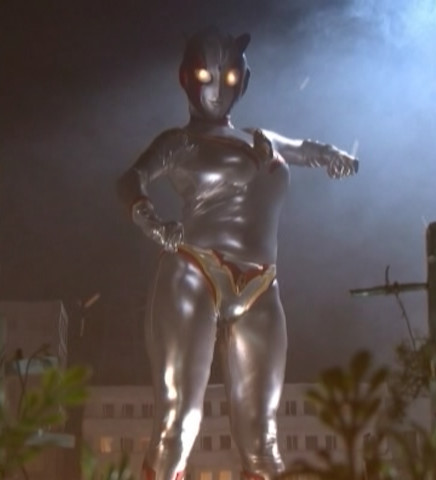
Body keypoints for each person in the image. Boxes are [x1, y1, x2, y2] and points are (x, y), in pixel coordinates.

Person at [116, 27, 359, 480]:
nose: (216, 89)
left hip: (260, 284)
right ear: (186, 78)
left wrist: (331, 155)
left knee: (263, 440)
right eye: (206, 77)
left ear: (243, 81)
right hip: (195, 272)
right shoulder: (180, 142)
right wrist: (150, 219)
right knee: (177, 426)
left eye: (228, 78)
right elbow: (131, 178)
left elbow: (304, 149)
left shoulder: (261, 137)